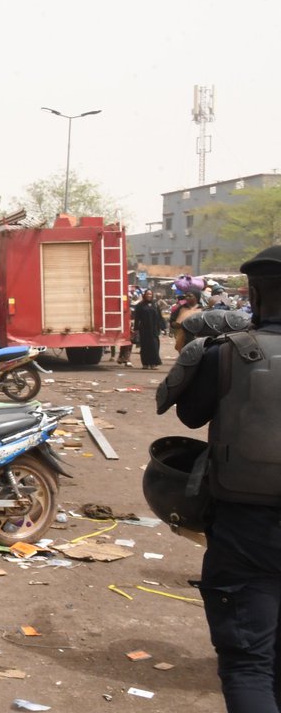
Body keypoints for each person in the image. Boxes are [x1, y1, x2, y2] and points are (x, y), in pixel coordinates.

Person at [160, 246, 281, 712]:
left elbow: (190, 417)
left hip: (246, 529)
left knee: (249, 665)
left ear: (252, 292)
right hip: (245, 528)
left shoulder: (229, 355)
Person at [132, 289, 165, 370]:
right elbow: (137, 318)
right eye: (147, 294)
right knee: (145, 347)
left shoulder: (155, 305)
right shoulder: (140, 305)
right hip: (144, 329)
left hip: (154, 329)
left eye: (150, 294)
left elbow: (160, 317)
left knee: (154, 346)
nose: (149, 295)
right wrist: (136, 328)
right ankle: (146, 363)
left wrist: (163, 327)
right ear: (144, 295)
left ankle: (154, 363)